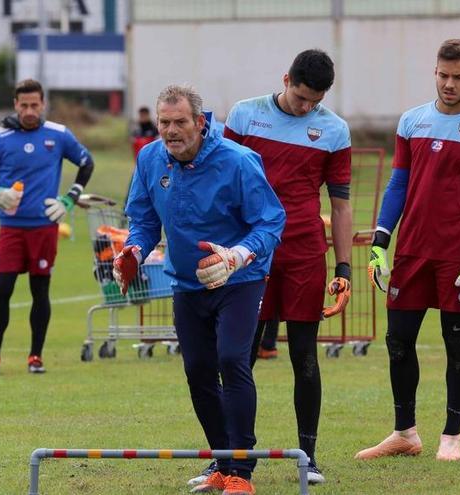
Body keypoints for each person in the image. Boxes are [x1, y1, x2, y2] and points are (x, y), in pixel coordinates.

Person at [114, 84, 285, 495]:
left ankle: (242, 474)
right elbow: (142, 217)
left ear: (200, 123)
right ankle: (222, 463)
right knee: (198, 370)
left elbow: (271, 221)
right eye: (164, 122)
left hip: (239, 279)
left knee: (231, 358)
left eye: (180, 122)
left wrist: (238, 255)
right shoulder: (150, 158)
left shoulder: (239, 161)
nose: (171, 131)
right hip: (187, 281)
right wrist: (134, 250)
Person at [358, 39, 460, 462]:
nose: (448, 83)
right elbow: (398, 184)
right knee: (398, 342)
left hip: (459, 255)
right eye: (443, 75)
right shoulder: (411, 121)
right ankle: (405, 433)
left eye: (458, 77)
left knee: (457, 344)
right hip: (412, 252)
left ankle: (451, 438)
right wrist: (381, 241)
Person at [221, 48, 352, 485]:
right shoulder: (243, 115)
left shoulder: (334, 131)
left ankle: (308, 456)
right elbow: (220, 183)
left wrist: (344, 267)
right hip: (250, 251)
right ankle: (227, 456)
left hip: (302, 253)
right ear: (285, 79)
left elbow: (341, 203)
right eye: (300, 97)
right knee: (238, 357)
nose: (306, 107)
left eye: (315, 100)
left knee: (303, 355)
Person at [0, 79, 95, 375]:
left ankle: (35, 357)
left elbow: (86, 163)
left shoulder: (58, 135)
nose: (29, 110)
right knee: (2, 288)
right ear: (15, 104)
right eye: (24, 105)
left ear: (43, 105)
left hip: (44, 227)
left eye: (35, 105)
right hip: (11, 227)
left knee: (40, 290)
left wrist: (70, 198)